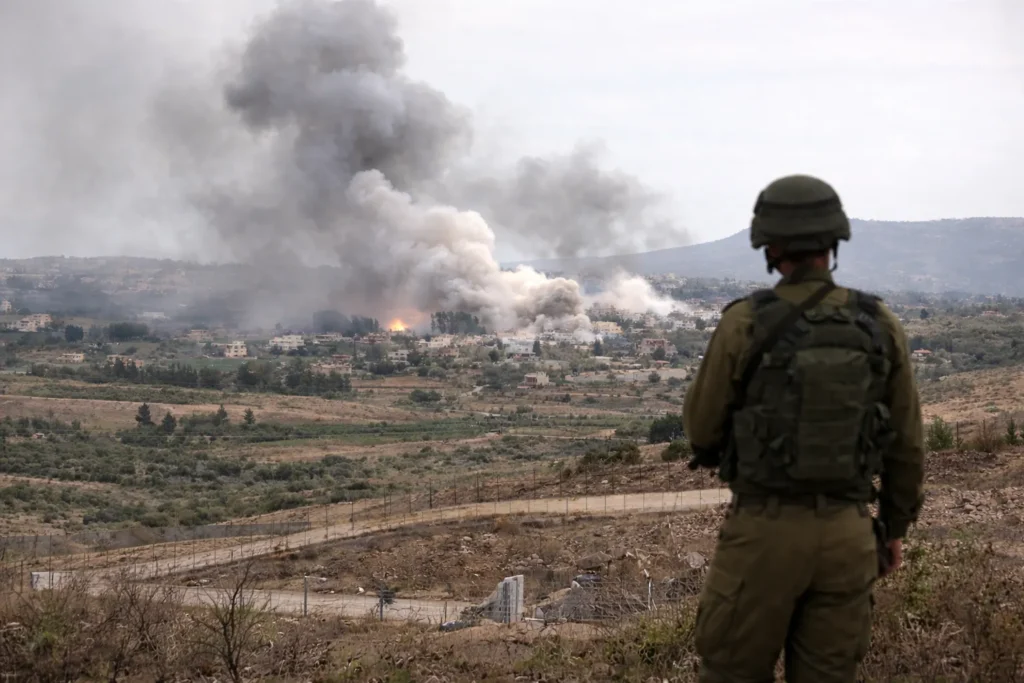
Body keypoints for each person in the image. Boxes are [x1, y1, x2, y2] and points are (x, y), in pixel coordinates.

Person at [683, 174, 925, 683]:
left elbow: (701, 431)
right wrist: (893, 532)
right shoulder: (879, 323)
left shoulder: (744, 322)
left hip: (763, 533)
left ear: (769, 246)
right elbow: (906, 445)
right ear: (833, 243)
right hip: (848, 536)